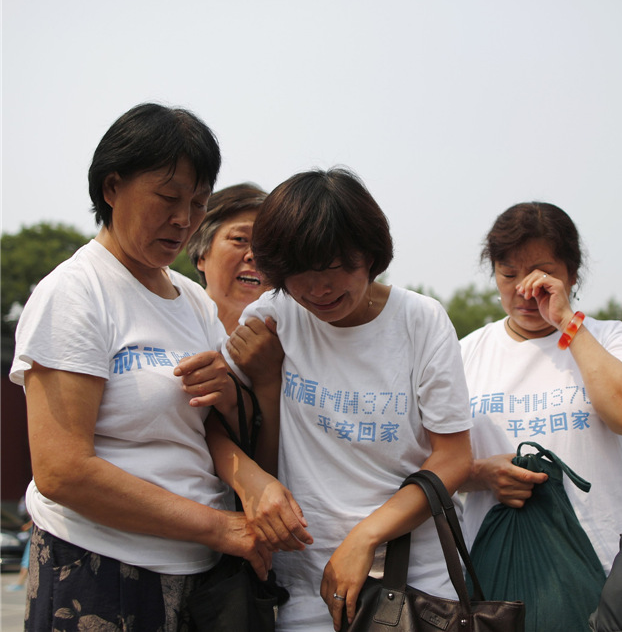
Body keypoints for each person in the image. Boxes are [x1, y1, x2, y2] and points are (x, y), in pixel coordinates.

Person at [9, 103, 270, 631]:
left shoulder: (193, 303)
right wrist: (221, 529)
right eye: (168, 198)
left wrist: (231, 400)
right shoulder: (78, 291)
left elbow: (215, 432)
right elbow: (63, 471)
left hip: (196, 576)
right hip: (98, 569)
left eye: (197, 203)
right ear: (111, 187)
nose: (183, 219)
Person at [209, 167, 473, 632]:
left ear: (371, 255)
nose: (319, 290)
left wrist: (366, 535)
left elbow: (452, 458)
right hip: (308, 586)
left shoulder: (420, 321)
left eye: (336, 268)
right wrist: (251, 481)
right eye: (299, 275)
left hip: (416, 584)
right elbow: (215, 423)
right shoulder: (270, 319)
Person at [457, 202, 622, 577]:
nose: (524, 290)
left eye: (542, 274)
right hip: (498, 570)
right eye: (508, 274)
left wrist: (567, 321)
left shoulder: (608, 337)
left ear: (572, 275)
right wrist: (483, 474)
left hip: (607, 565)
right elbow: (430, 461)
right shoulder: (465, 354)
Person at [186, 182, 269, 334]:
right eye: (239, 239)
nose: (254, 256)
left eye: (267, 245)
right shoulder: (161, 321)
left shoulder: (294, 342)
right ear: (202, 255)